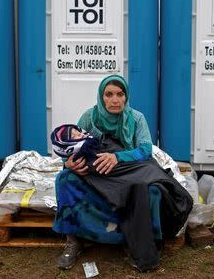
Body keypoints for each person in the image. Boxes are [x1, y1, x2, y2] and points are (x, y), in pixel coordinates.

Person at [52, 75, 193, 272]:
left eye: (120, 94)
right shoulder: (88, 118)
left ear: (126, 97)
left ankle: (142, 241)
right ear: (101, 97)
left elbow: (145, 150)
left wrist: (117, 157)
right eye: (108, 94)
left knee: (152, 188)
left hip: (128, 171)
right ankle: (74, 240)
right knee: (64, 179)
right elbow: (71, 148)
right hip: (99, 174)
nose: (115, 100)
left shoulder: (136, 118)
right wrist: (69, 164)